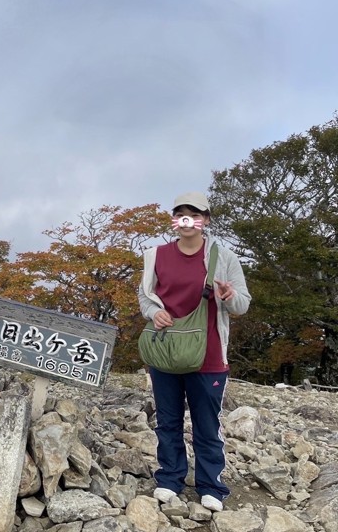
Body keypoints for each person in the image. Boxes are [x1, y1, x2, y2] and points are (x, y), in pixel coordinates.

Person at [138, 191, 251, 513]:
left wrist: (228, 296)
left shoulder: (224, 257)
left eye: (195, 214)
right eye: (181, 214)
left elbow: (242, 304)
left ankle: (211, 484)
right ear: (175, 220)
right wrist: (153, 313)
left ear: (206, 220)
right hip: (167, 348)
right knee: (168, 420)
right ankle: (170, 478)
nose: (187, 221)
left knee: (206, 422)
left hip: (209, 354)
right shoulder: (154, 256)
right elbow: (145, 298)